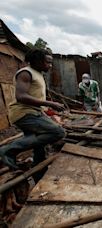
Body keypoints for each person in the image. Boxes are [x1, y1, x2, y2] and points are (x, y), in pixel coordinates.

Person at [0, 49, 65, 179]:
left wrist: (46, 113)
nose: (50, 66)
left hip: (33, 112)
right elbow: (21, 96)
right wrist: (50, 104)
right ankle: (7, 150)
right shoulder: (26, 73)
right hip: (24, 113)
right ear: (37, 61)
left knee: (39, 146)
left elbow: (35, 101)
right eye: (47, 62)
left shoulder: (38, 74)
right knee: (58, 132)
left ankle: (39, 174)